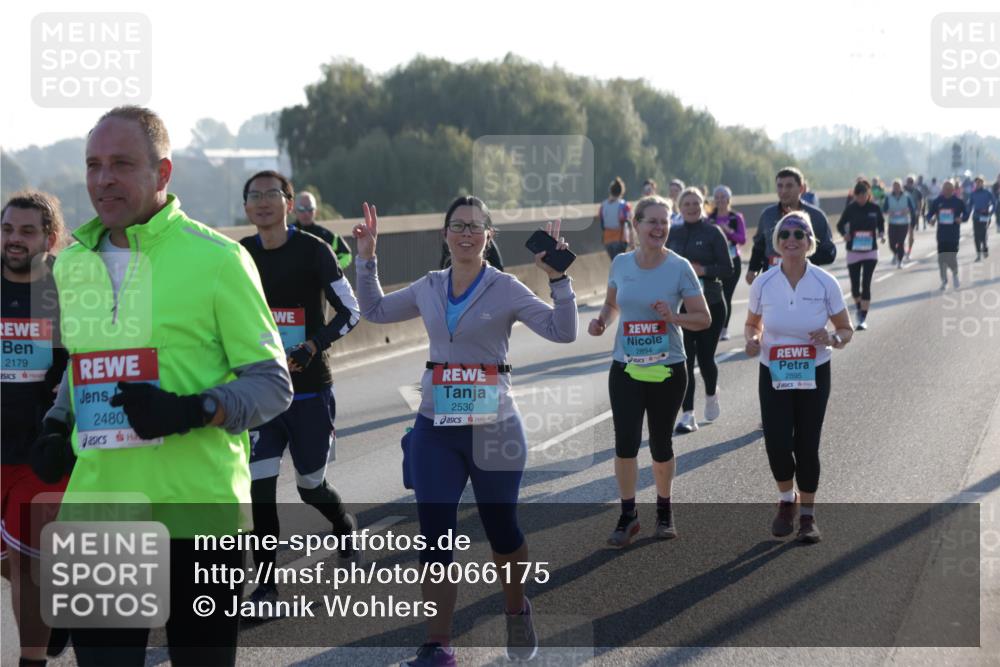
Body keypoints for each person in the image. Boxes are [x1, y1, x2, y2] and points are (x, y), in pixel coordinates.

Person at [33, 106, 293, 667]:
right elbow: (83, 366)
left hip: (199, 517)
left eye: (122, 164)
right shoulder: (72, 264)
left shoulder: (220, 259)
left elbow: (273, 385)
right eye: (94, 165)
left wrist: (193, 409)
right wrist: (58, 421)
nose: (104, 179)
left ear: (163, 172)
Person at [354, 196, 577, 666]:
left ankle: (516, 608)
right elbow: (372, 310)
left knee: (502, 530)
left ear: (489, 236)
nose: (467, 233)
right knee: (436, 535)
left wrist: (559, 279)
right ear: (445, 235)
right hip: (436, 425)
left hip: (494, 425)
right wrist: (367, 258)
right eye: (458, 225)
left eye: (477, 227)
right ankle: (438, 645)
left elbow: (563, 331)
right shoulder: (428, 286)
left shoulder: (507, 287)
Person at [239, 171, 361, 610]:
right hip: (260, 393)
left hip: (309, 391)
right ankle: (267, 585)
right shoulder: (240, 256)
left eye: (273, 194)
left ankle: (342, 521)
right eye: (255, 196)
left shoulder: (315, 250)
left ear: (289, 203)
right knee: (260, 490)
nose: (263, 202)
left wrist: (313, 344)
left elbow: (351, 311)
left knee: (311, 486)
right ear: (247, 208)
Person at [588, 194, 710, 546]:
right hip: (626, 367)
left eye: (664, 221)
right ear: (636, 225)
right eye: (651, 221)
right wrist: (601, 321)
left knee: (660, 442)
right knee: (625, 444)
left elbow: (704, 319)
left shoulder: (680, 267)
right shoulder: (622, 264)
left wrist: (674, 317)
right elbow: (612, 304)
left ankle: (664, 510)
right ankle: (628, 516)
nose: (659, 227)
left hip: (667, 368)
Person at [745, 211, 853, 544]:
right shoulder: (764, 282)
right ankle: (785, 501)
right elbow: (752, 325)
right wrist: (752, 340)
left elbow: (846, 330)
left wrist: (832, 338)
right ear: (777, 243)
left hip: (815, 371)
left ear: (810, 243)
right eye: (785, 235)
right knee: (777, 443)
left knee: (807, 444)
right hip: (774, 371)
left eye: (799, 234)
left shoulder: (825, 282)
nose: (792, 240)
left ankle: (807, 515)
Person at [1, 191, 71, 666]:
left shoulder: (68, 289)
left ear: (50, 238)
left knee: (27, 560)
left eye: (26, 231)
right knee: (12, 561)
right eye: (7, 230)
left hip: (39, 451)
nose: (13, 240)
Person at [668, 188, 733, 433]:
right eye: (687, 204)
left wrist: (703, 270)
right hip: (681, 308)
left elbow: (727, 269)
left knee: (705, 359)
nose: (692, 207)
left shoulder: (713, 232)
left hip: (712, 304)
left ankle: (710, 396)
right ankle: (688, 414)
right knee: (685, 361)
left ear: (703, 205)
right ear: (680, 207)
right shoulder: (673, 234)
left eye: (696, 203)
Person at [746, 167, 837, 284]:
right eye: (780, 186)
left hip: (806, 281)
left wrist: (797, 258)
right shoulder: (767, 215)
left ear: (801, 188)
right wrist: (752, 269)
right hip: (772, 281)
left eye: (789, 186)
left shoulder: (816, 216)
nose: (784, 191)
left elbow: (829, 253)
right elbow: (759, 246)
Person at [837, 181, 884, 330]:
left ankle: (862, 318)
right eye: (858, 196)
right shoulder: (851, 209)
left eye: (864, 196)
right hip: (854, 251)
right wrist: (845, 234)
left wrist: (881, 233)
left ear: (868, 195)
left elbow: (881, 223)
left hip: (870, 251)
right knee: (855, 288)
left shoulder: (875, 208)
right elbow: (839, 225)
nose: (861, 199)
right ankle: (858, 307)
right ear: (855, 196)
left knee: (866, 284)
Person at [707, 185, 746, 341]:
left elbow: (742, 239)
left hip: (732, 261)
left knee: (726, 295)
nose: (720, 200)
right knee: (712, 295)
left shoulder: (735, 218)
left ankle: (724, 329)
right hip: (714, 262)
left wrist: (729, 232)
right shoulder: (709, 219)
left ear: (729, 199)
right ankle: (712, 326)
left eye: (723, 197)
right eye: (717, 197)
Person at [292, 191, 353, 269]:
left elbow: (346, 255)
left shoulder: (326, 235)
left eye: (310, 209)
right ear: (294, 210)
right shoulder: (286, 233)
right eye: (301, 209)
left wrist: (331, 269)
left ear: (316, 211)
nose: (306, 213)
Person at [927, 180, 968, 290]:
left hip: (954, 234)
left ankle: (955, 275)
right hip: (941, 234)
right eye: (945, 189)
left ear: (953, 190)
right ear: (942, 190)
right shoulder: (937, 201)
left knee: (951, 257)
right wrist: (930, 220)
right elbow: (929, 214)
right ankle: (944, 280)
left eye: (949, 189)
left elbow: (966, 214)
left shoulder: (958, 201)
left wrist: (961, 219)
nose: (947, 191)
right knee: (941, 258)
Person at [883, 179, 915, 268]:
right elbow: (884, 209)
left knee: (900, 242)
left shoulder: (907, 196)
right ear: (892, 187)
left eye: (898, 186)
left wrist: (907, 211)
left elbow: (912, 208)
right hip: (892, 222)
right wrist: (888, 211)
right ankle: (897, 254)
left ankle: (900, 261)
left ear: (901, 187)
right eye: (894, 186)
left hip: (904, 223)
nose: (896, 188)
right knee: (891, 243)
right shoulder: (888, 196)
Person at [598, 177, 631, 259]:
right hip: (620, 238)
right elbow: (627, 221)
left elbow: (602, 222)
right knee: (620, 263)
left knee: (614, 263)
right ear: (621, 191)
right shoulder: (624, 205)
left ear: (611, 191)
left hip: (607, 239)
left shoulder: (603, 205)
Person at [969, 176, 996, 261]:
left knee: (983, 234)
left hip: (984, 216)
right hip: (976, 216)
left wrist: (990, 212)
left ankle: (984, 248)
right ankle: (978, 254)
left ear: (982, 183)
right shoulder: (972, 194)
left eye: (980, 183)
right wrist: (964, 215)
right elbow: (969, 205)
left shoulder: (987, 193)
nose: (978, 184)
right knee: (976, 236)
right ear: (975, 184)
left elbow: (994, 203)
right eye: (976, 183)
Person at [903, 175, 924, 259]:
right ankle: (901, 251)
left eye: (911, 182)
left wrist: (918, 211)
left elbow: (920, 202)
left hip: (913, 214)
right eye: (908, 182)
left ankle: (909, 250)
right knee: (902, 234)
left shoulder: (917, 192)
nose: (909, 183)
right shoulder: (902, 191)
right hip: (903, 215)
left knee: (911, 233)